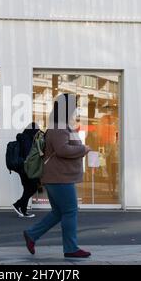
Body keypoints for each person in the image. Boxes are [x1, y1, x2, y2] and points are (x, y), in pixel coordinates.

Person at [23, 93, 92, 258]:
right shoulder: (59, 127)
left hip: (57, 177)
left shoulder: (60, 125)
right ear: (67, 108)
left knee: (58, 213)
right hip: (60, 177)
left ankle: (32, 234)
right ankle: (71, 248)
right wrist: (84, 149)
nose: (76, 109)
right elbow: (63, 150)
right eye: (74, 106)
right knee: (70, 211)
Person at [12, 122, 41, 218]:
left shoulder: (23, 138)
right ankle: (17, 204)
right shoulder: (27, 140)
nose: (37, 132)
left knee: (27, 188)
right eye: (37, 130)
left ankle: (23, 211)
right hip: (26, 168)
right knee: (33, 187)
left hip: (22, 168)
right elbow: (29, 155)